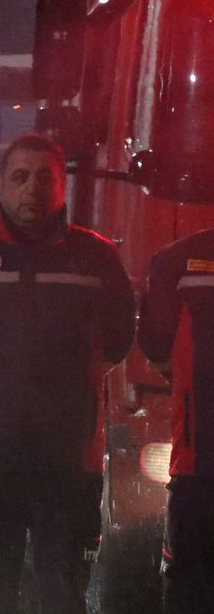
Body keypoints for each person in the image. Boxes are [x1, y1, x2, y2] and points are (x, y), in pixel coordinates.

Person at [0, 134, 135, 614]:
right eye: (20, 176)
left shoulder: (96, 258)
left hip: (69, 462)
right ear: (1, 183)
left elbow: (118, 341)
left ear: (62, 186)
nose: (32, 188)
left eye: (45, 177)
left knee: (63, 598)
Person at [138, 227, 214, 613]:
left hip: (200, 463)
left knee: (190, 588)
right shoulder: (177, 261)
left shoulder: (178, 260)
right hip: (198, 466)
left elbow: (157, 348)